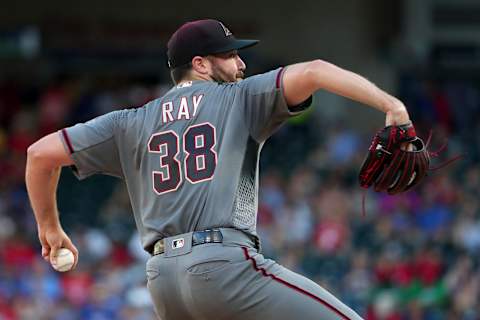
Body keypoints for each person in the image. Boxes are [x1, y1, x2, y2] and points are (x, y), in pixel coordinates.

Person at [26, 19, 412, 320]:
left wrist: (50, 228)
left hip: (163, 282)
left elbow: (39, 155)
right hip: (224, 267)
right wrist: (391, 106)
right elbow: (314, 71)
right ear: (200, 63)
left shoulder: (130, 121)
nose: (241, 63)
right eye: (230, 55)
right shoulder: (239, 97)